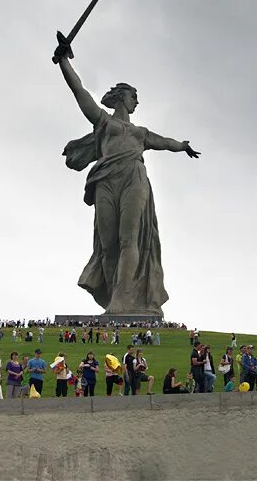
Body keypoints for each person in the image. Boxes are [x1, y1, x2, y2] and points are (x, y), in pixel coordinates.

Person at [56, 50, 200, 317]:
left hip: (134, 179)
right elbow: (80, 92)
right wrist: (64, 61)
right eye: (134, 96)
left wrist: (182, 146)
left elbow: (166, 143)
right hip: (106, 180)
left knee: (128, 239)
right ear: (122, 97)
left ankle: (121, 301)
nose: (137, 101)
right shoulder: (103, 120)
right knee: (108, 244)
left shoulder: (140, 133)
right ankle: (114, 294)